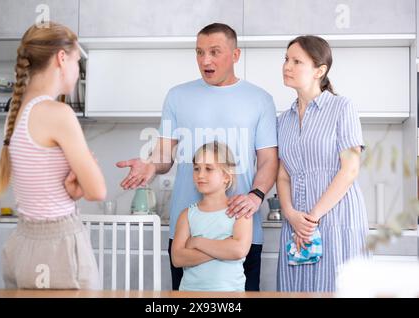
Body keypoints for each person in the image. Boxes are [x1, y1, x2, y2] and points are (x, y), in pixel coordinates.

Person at [116, 23, 278, 291]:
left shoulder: (260, 100)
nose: (205, 60)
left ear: (236, 55)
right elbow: (163, 156)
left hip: (239, 230)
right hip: (186, 231)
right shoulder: (177, 96)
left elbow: (269, 161)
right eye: (200, 52)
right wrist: (150, 166)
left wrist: (255, 196)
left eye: (215, 52)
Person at [0, 22, 106, 289]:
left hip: (23, 243)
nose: (77, 71)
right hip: (58, 247)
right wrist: (87, 170)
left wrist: (73, 190)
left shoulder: (16, 113)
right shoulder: (57, 114)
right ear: (61, 57)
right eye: (78, 61)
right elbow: (98, 191)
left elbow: (44, 186)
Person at [276, 35, 369, 292]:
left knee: (337, 289)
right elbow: (283, 174)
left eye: (297, 61)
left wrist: (313, 218)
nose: (287, 66)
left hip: (335, 218)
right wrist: (291, 214)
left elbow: (350, 169)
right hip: (297, 221)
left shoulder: (342, 108)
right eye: (286, 59)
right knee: (296, 291)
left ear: (320, 70)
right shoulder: (284, 120)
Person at [171, 141, 252, 291]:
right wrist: (223, 248)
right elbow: (177, 258)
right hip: (190, 295)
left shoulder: (239, 212)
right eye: (196, 169)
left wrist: (196, 241)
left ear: (226, 176)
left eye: (208, 169)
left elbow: (238, 250)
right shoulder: (187, 215)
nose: (200, 175)